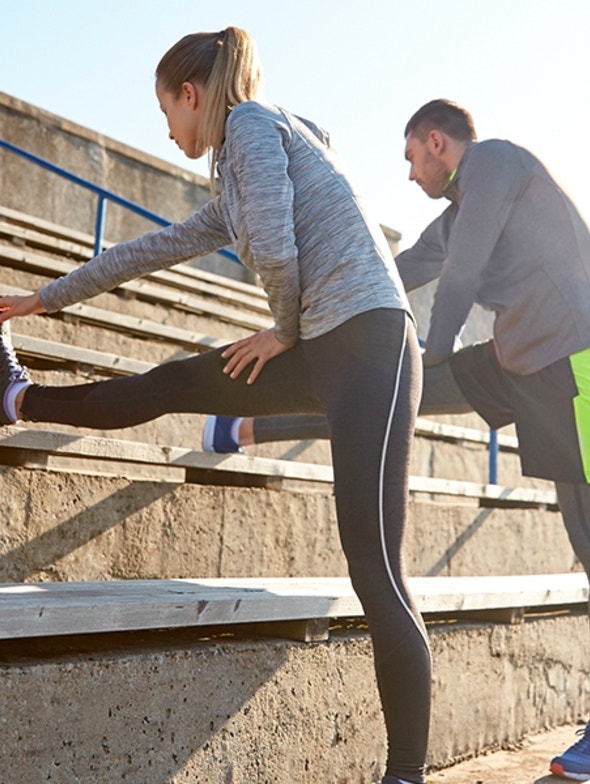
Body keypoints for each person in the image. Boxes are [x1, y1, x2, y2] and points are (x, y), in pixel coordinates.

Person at [0, 27, 431, 784]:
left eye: (166, 111)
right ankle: (18, 398)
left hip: (368, 345)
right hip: (321, 343)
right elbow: (144, 251)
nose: (166, 130)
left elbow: (273, 245)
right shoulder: (231, 178)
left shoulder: (253, 126)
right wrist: (38, 299)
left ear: (192, 95)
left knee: (378, 573)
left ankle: (405, 776)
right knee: (173, 382)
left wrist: (282, 330)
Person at [202, 98, 590, 782]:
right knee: (379, 396)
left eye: (411, 158)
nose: (409, 175)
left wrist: (427, 351)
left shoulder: (497, 161)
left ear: (436, 142)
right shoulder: (454, 218)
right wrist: (304, 289)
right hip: (525, 363)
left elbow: (462, 276)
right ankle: (249, 425)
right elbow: (399, 267)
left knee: (589, 538)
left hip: (580, 361)